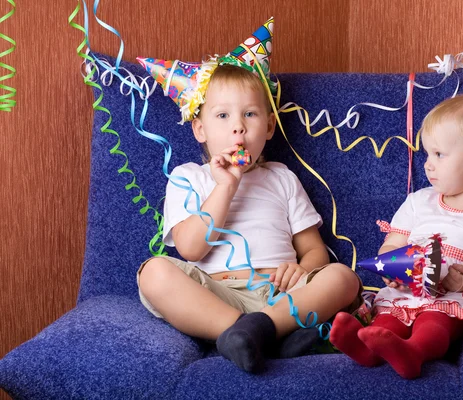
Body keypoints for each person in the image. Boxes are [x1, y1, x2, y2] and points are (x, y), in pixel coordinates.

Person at [136, 19, 362, 373]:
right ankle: (250, 332)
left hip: (281, 294)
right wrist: (225, 186)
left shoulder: (280, 178)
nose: (238, 126)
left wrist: (302, 268)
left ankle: (263, 329)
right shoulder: (187, 177)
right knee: (153, 273)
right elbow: (191, 249)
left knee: (343, 278)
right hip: (217, 293)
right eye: (223, 115)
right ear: (200, 129)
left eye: (250, 114)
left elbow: (314, 249)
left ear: (269, 127)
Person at [329, 94, 463, 379]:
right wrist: (390, 268)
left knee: (435, 319)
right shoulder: (419, 203)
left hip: (454, 298)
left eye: (439, 155)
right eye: (427, 154)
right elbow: (394, 241)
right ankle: (368, 348)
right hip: (407, 292)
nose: (428, 165)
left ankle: (414, 352)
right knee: (388, 319)